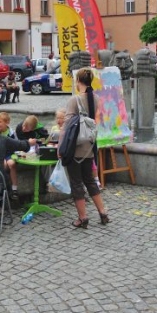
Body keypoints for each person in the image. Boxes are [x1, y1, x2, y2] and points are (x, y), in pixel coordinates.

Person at [59, 67, 110, 229]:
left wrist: (60, 147)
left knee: (76, 183)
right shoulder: (96, 98)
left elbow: (66, 127)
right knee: (90, 180)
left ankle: (83, 217)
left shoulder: (74, 100)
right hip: (90, 146)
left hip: (75, 147)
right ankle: (102, 212)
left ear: (77, 81)